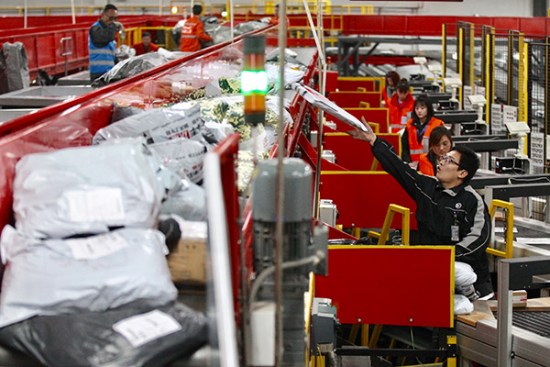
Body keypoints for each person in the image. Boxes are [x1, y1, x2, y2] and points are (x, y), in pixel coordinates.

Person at [347, 124, 494, 301]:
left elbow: (479, 240)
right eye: (442, 158)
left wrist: (446, 257)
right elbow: (400, 169)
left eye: (448, 160)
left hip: (470, 280)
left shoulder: (473, 201)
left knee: (460, 275)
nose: (440, 161)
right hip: (434, 269)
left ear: (462, 172)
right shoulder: (428, 186)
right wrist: (374, 141)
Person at [401, 95, 445, 168]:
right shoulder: (410, 125)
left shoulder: (437, 124)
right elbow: (404, 147)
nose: (419, 111)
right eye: (417, 108)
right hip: (412, 166)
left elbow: (440, 148)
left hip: (431, 165)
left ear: (428, 109)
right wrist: (408, 162)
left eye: (422, 108)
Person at [88, 4, 123, 82]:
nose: (113, 21)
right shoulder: (96, 29)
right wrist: (113, 26)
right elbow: (106, 38)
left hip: (110, 72)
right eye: (111, 18)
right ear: (103, 15)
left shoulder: (109, 30)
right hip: (98, 73)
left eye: (115, 18)